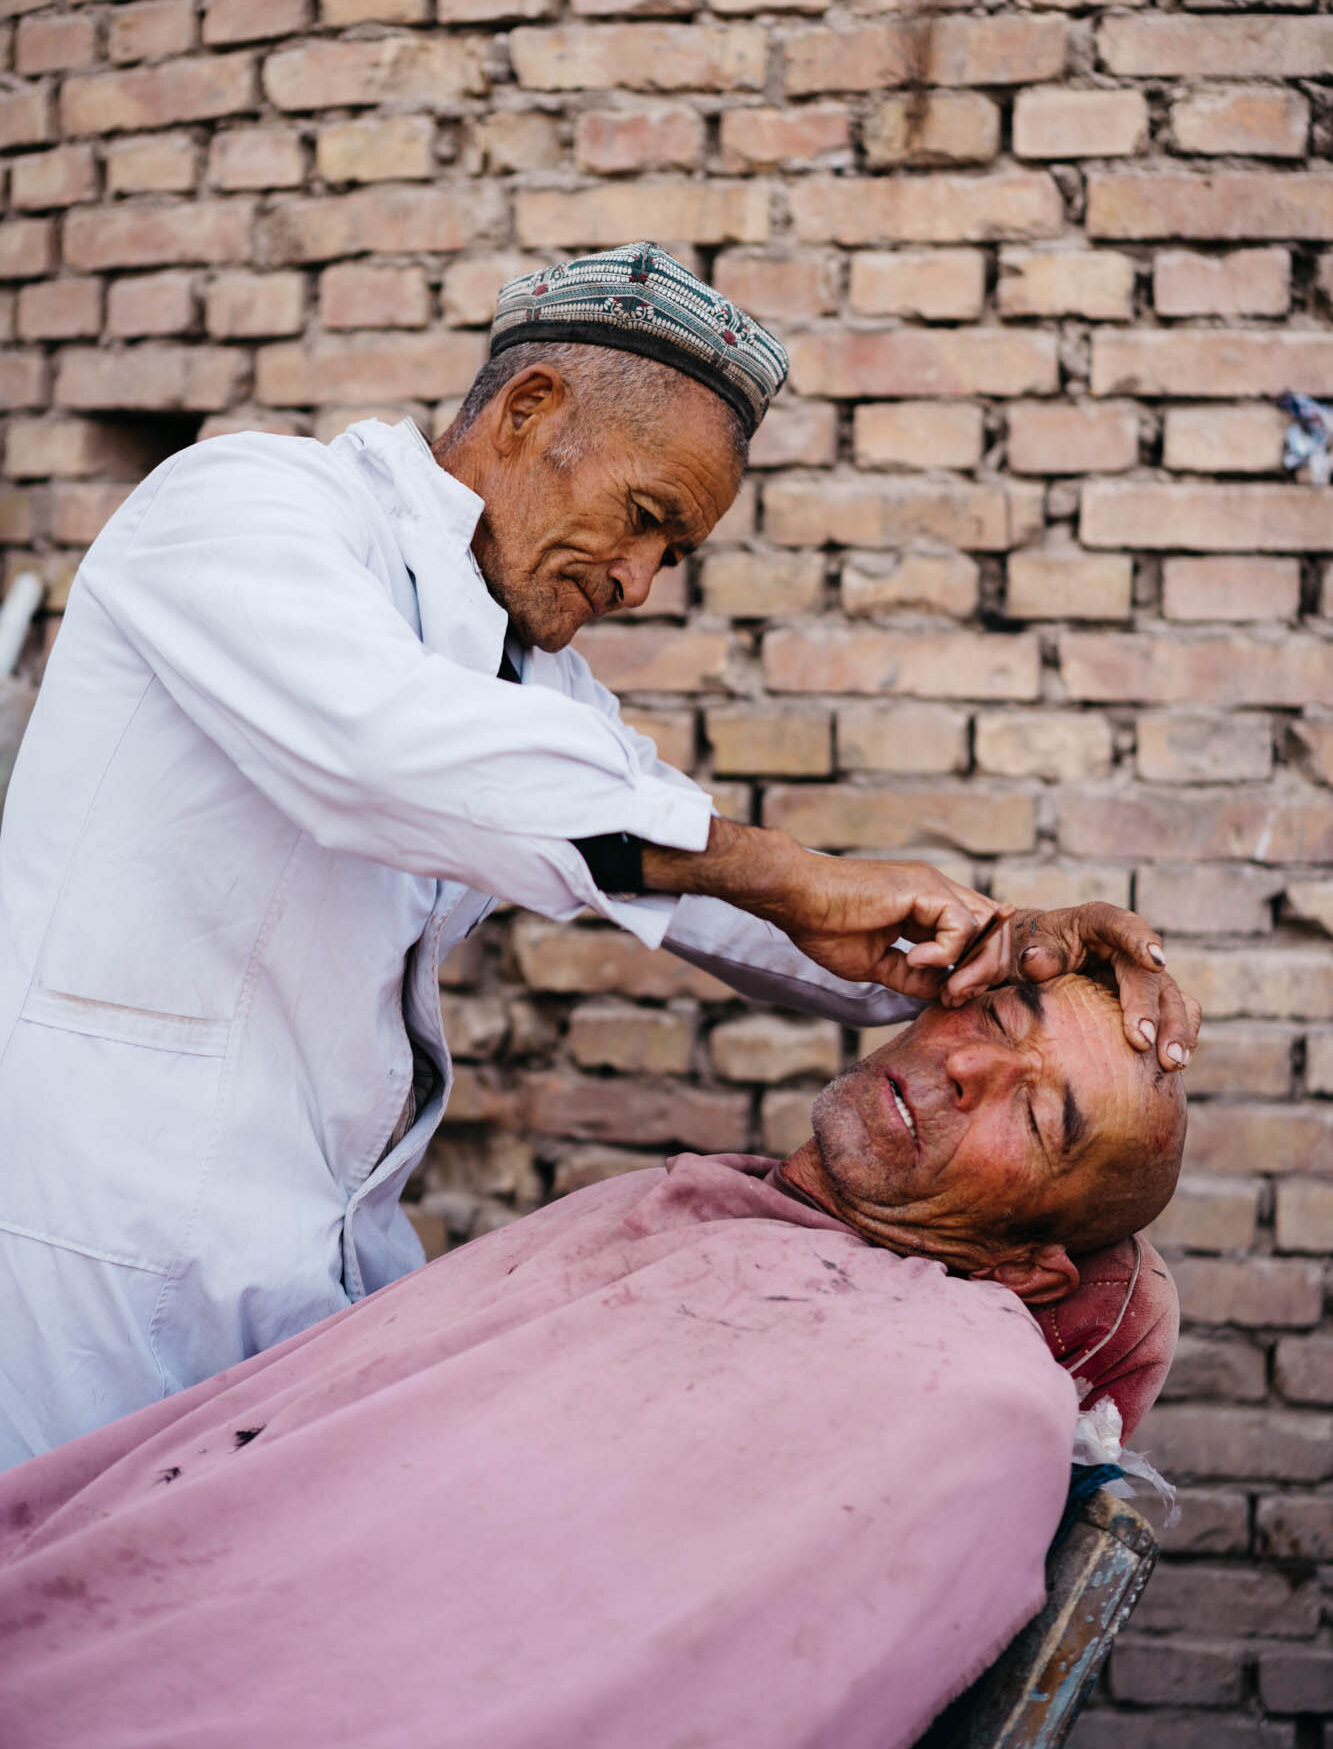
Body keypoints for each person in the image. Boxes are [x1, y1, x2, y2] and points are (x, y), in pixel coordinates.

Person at [0, 242, 1196, 1468]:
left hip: (299, 1275)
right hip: (80, 1260)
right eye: (643, 520)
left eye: (670, 555)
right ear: (529, 411)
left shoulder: (534, 686)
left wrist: (1006, 957)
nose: (635, 581)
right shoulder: (247, 507)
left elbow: (706, 892)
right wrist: (774, 868)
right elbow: (390, 752)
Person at [0, 972, 1188, 1749]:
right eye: (993, 1016)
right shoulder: (682, 1208)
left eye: (1036, 1116)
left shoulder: (957, 1385)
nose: (970, 1067)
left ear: (1032, 1268)